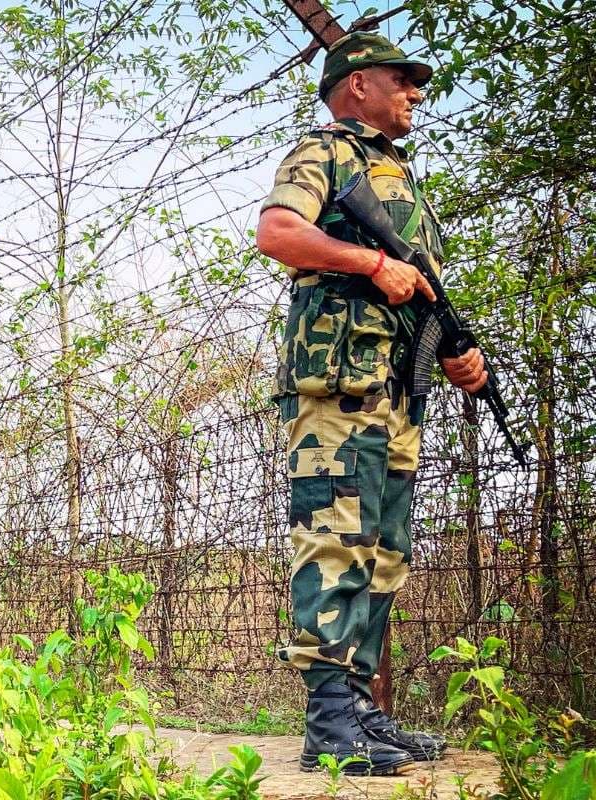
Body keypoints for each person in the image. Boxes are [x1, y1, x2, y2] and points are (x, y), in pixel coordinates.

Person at [255, 31, 488, 775]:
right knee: (335, 540)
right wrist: (369, 261)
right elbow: (278, 232)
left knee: (385, 555)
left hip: (394, 395)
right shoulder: (321, 153)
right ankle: (330, 725)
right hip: (338, 390)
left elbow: (416, 292)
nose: (415, 91)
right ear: (356, 85)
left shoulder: (401, 177)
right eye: (401, 78)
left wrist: (454, 350)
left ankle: (360, 714)